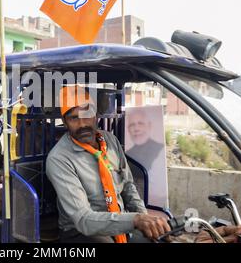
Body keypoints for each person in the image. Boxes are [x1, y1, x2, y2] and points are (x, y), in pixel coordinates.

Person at [46, 85, 171, 243]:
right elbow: (83, 219)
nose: (82, 124)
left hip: (120, 221)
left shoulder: (110, 141)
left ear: (96, 115)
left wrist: (144, 218)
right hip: (80, 232)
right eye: (74, 118)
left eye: (87, 115)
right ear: (65, 122)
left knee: (160, 238)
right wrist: (135, 220)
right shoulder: (59, 159)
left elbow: (128, 186)